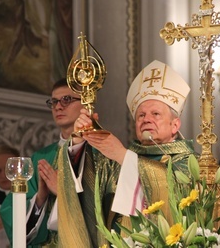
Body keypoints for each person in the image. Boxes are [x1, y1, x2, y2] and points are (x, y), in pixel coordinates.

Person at [0, 78, 120, 247]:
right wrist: (40, 198)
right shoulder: (40, 158)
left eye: (67, 100)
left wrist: (64, 192)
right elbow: (14, 220)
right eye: (54, 101)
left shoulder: (103, 157)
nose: (58, 106)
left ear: (86, 103)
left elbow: (110, 213)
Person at [74, 60, 195, 223]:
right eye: (141, 115)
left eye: (156, 114)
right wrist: (79, 140)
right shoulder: (113, 161)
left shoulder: (190, 162)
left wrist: (124, 157)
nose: (147, 119)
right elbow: (87, 192)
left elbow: (176, 197)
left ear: (175, 125)